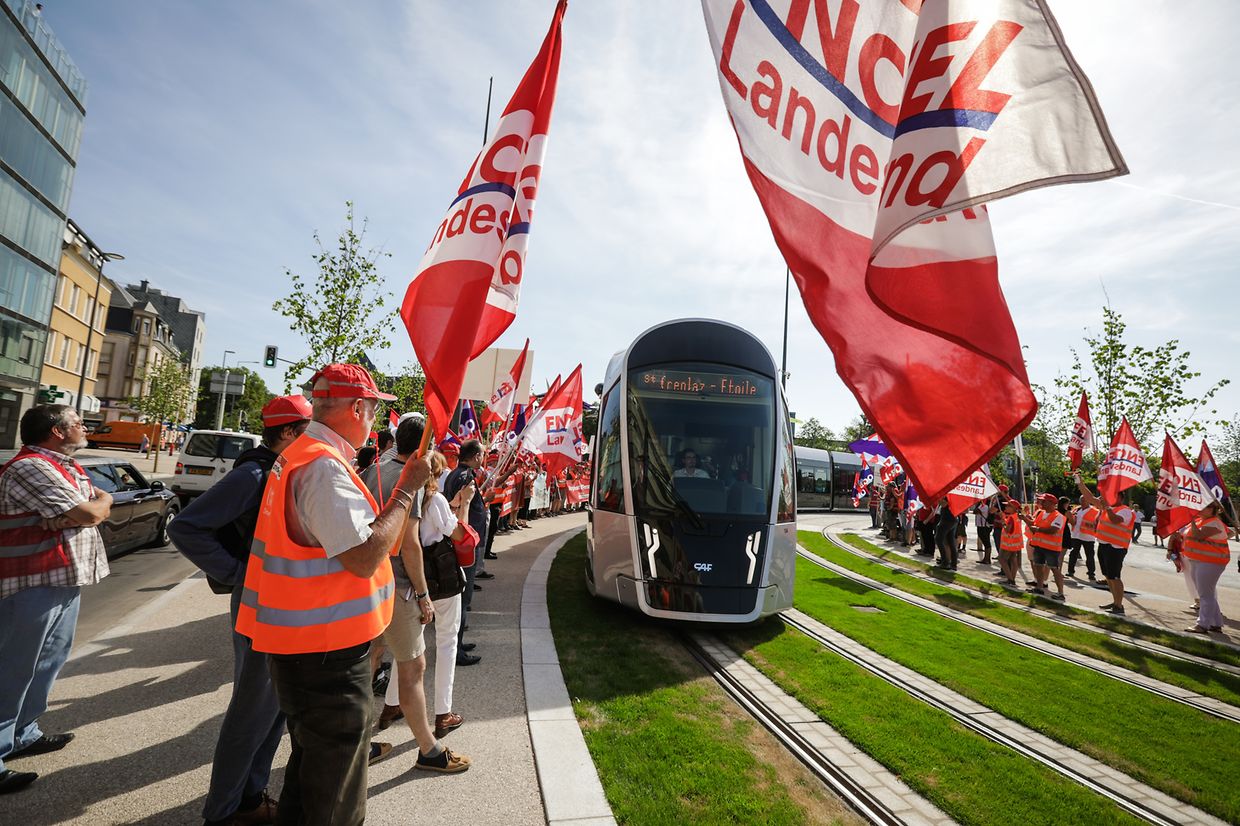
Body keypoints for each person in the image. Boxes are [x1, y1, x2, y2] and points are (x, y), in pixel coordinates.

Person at [234, 364, 430, 826]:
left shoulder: (309, 456)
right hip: (324, 653)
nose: (376, 423)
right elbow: (363, 557)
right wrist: (405, 490)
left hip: (311, 646)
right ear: (357, 407)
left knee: (312, 774)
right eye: (374, 411)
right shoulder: (322, 465)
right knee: (336, 794)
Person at [169, 395, 312, 826]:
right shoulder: (253, 473)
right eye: (307, 428)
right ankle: (224, 812)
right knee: (251, 713)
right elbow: (185, 526)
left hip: (276, 604)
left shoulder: (279, 469)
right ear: (287, 432)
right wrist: (236, 573)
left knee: (273, 711)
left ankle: (250, 798)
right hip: (259, 602)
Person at [0, 405, 112, 795]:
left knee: (47, 662)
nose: (84, 426)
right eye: (77, 422)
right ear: (56, 431)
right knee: (13, 668)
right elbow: (88, 511)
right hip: (31, 583)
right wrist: (90, 509)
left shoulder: (67, 466)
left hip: (61, 579)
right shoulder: (31, 467)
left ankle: (23, 734)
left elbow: (98, 501)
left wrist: (96, 504)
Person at [362, 439, 471, 773]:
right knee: (418, 662)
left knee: (378, 657)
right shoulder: (422, 490)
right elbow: (416, 544)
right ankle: (434, 737)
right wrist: (423, 595)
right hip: (410, 583)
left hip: (374, 583)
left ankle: (375, 726)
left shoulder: (373, 473)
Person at [442, 439, 488, 666]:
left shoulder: (459, 473)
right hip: (464, 544)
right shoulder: (463, 476)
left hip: (465, 542)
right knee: (463, 596)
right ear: (475, 456)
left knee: (463, 597)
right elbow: (461, 509)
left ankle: (457, 643)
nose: (483, 458)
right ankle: (456, 650)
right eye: (482, 454)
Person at [1075, 474, 1136, 614]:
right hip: (1103, 545)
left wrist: (1107, 507)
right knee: (1108, 577)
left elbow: (1115, 520)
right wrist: (1080, 482)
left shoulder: (1126, 511)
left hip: (1116, 548)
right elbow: (1089, 498)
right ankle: (1115, 602)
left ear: (1120, 497)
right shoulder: (1106, 507)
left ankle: (1119, 606)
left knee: (1115, 577)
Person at [1181, 503, 1231, 633]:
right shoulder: (1200, 521)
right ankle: (1216, 623)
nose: (1202, 509)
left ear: (1214, 510)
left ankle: (1202, 624)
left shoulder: (1214, 523)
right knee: (1206, 593)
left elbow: (1198, 535)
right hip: (1198, 561)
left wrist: (1191, 519)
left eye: (1207, 507)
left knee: (1205, 594)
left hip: (1211, 562)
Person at [1021, 494, 1067, 600]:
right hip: (1039, 545)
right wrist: (1024, 518)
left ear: (1051, 503)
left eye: (1044, 501)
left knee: (1055, 570)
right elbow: (1033, 525)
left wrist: (1037, 529)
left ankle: (1060, 593)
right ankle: (1039, 587)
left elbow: (1053, 530)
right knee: (1038, 566)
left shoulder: (1058, 516)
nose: (1041, 503)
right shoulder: (1042, 514)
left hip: (1051, 548)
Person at [1067, 496, 1098, 581]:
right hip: (1076, 535)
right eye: (1082, 500)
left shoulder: (1095, 511)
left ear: (1089, 501)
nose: (1083, 502)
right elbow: (1071, 519)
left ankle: (1091, 574)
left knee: (1090, 556)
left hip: (1088, 537)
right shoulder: (1076, 509)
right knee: (1073, 554)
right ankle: (1070, 571)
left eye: (1085, 500)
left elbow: (1097, 523)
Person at [997, 498, 1024, 587]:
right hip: (1015, 543)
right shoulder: (1017, 516)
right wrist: (1004, 518)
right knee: (1013, 560)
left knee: (1002, 559)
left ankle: (1010, 579)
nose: (1006, 507)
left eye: (1008, 506)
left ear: (1013, 508)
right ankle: (1012, 579)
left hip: (1008, 543)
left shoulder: (1012, 517)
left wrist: (1002, 521)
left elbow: (1007, 529)